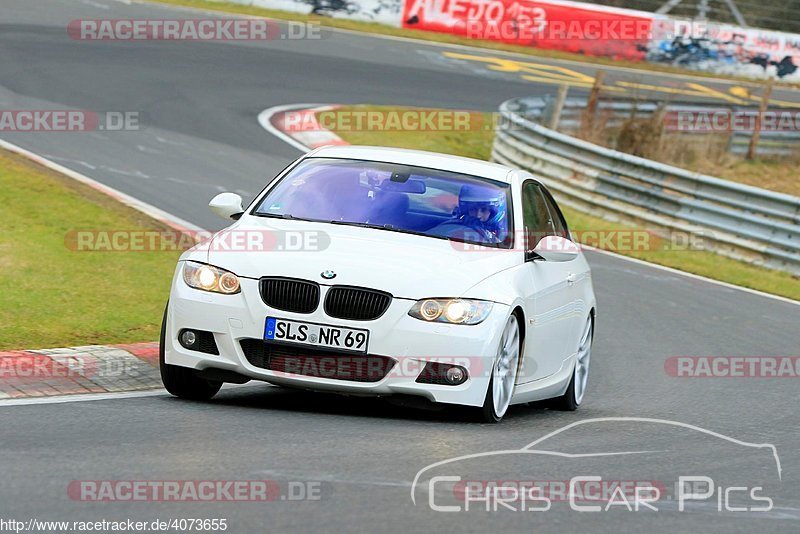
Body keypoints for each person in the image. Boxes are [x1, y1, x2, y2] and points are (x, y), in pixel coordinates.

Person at [430, 184, 507, 244]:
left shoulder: (506, 232)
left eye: (484, 210)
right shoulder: (451, 226)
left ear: (495, 212)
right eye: (473, 209)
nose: (477, 215)